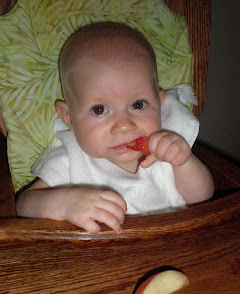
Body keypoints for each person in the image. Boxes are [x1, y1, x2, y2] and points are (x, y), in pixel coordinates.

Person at [16, 22, 214, 234]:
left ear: (159, 103)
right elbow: (23, 205)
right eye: (99, 110)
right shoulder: (71, 162)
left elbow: (202, 198)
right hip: (105, 262)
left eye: (138, 105)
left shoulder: (165, 151)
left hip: (172, 248)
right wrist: (63, 204)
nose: (124, 125)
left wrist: (183, 162)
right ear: (70, 118)